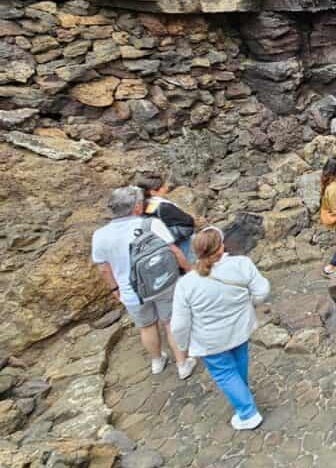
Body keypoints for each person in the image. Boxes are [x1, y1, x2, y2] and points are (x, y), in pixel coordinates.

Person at [170, 227, 270, 430]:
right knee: (239, 362)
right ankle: (242, 392)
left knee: (224, 373)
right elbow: (262, 290)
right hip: (239, 329)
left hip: (210, 339)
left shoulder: (186, 284)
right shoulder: (242, 264)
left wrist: (183, 345)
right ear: (221, 246)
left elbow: (180, 323)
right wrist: (250, 303)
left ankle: (248, 413)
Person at [92, 186, 196, 380]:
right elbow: (174, 251)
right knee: (170, 321)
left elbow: (103, 268)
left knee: (146, 326)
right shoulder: (150, 224)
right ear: (137, 207)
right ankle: (183, 364)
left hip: (131, 291)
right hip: (163, 283)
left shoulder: (99, 235)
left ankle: (157, 361)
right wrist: (190, 270)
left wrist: (115, 288)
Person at [137, 173, 196, 262]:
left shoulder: (144, 205)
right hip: (179, 243)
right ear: (153, 192)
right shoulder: (163, 206)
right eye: (163, 187)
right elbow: (188, 222)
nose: (166, 188)